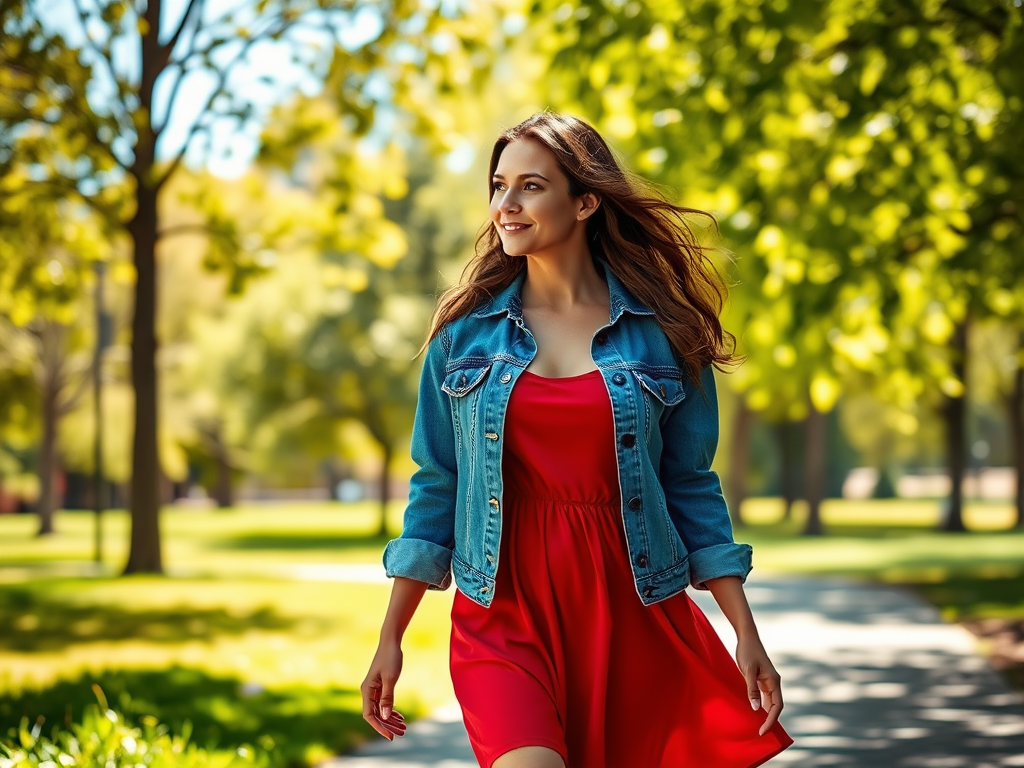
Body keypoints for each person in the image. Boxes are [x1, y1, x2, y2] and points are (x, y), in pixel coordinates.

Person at [361, 112, 794, 768]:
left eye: (530, 186)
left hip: (631, 612)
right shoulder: (460, 339)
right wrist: (391, 636)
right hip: (503, 615)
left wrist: (745, 632)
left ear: (586, 201)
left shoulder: (664, 337)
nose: (506, 205)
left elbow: (690, 487)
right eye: (499, 185)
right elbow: (437, 484)